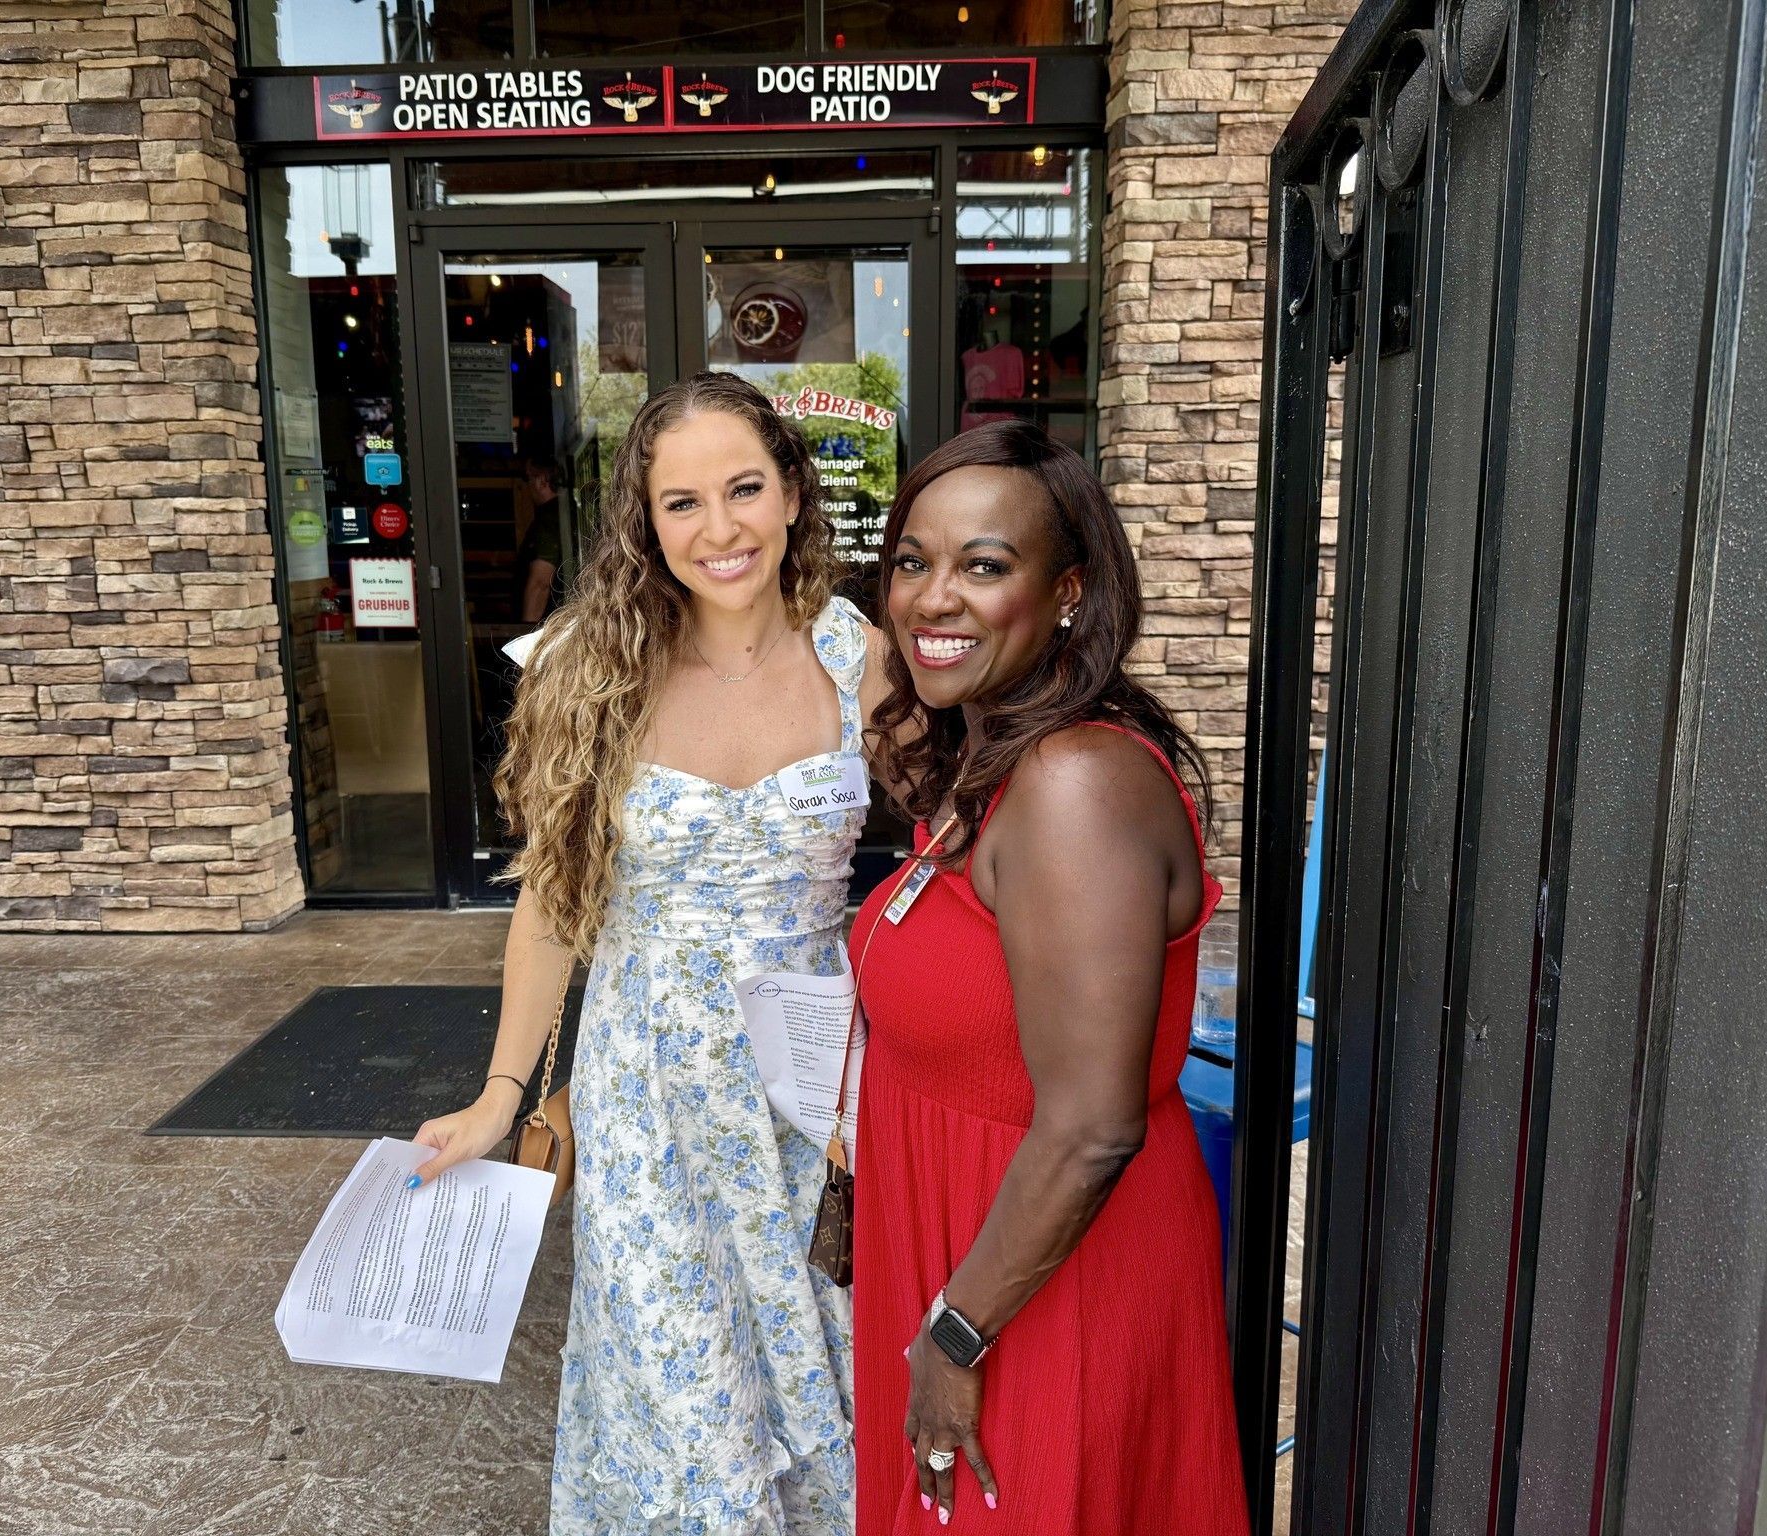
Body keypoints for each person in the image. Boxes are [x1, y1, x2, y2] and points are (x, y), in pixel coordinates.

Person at [411, 372, 891, 1536]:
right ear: (647, 519)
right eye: (684, 502)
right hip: (647, 1093)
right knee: (679, 1391)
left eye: (744, 489)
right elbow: (551, 902)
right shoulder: (588, 663)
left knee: (819, 1367)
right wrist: (500, 1096)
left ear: (792, 494)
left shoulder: (859, 657)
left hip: (813, 1095)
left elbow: (947, 851)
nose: (720, 528)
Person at [848, 422, 1249, 1533]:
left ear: (1068, 591)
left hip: (1037, 1283)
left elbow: (1090, 1130)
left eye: (983, 565)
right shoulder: (994, 756)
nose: (933, 598)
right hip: (969, 1250)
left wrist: (957, 1334)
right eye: (912, 561)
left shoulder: (1075, 783)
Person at [517, 453, 565, 623]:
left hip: (549, 623)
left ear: (542, 480)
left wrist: (527, 631)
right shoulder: (564, 512)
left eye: (528, 477)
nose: (527, 485)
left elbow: (541, 582)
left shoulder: (549, 520)